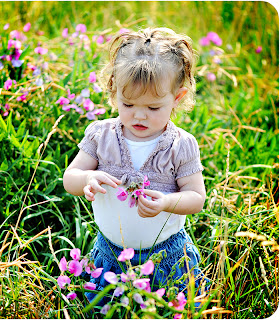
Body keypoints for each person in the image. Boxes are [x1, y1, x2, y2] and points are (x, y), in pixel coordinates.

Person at [63, 27, 209, 304]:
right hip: (111, 251)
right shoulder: (101, 135)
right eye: (128, 103)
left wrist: (167, 202)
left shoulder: (181, 144)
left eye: (153, 108)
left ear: (176, 98)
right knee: (106, 309)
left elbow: (196, 198)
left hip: (166, 253)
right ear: (113, 88)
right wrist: (87, 180)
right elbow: (70, 177)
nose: (139, 115)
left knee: (169, 308)